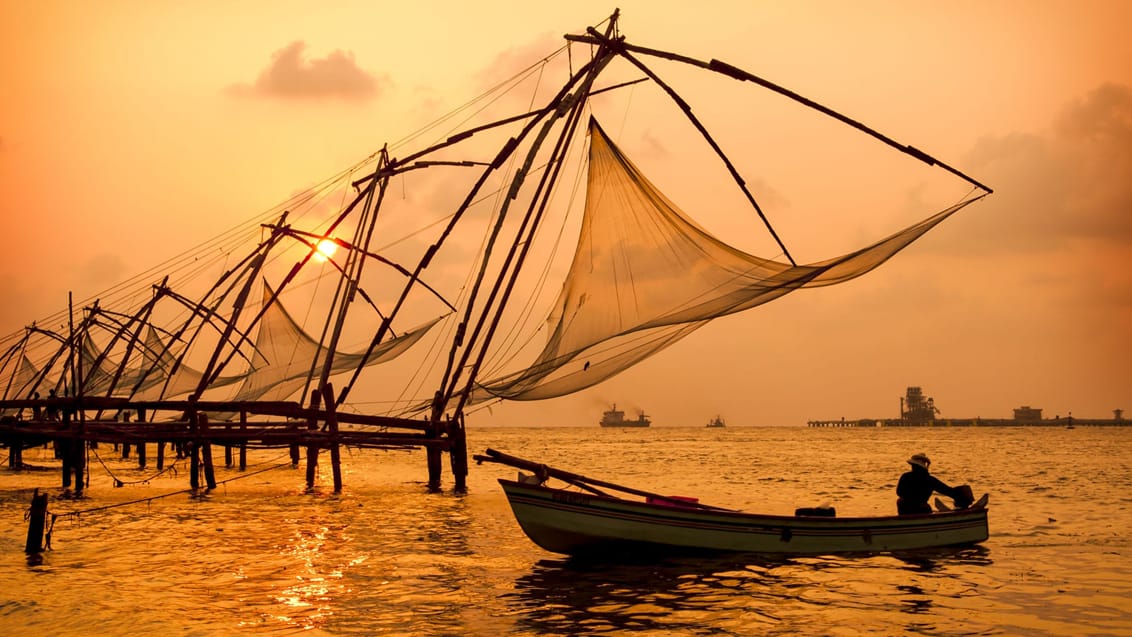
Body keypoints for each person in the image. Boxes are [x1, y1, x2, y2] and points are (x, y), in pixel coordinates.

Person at [896, 453, 973, 515]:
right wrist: (960, 496)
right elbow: (947, 491)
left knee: (900, 501)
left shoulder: (905, 476)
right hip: (921, 510)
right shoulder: (929, 479)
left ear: (914, 466)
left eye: (913, 466)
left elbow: (899, 492)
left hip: (905, 510)